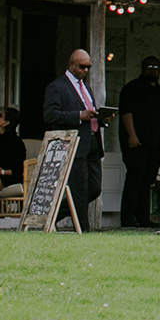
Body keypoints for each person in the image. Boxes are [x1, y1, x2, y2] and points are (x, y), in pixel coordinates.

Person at [42, 49, 104, 231]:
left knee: (93, 188)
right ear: (71, 65)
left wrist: (101, 119)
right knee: (79, 189)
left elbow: (89, 113)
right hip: (74, 143)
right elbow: (50, 114)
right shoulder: (57, 87)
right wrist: (79, 115)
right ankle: (83, 229)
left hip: (92, 141)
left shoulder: (86, 87)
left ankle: (52, 214)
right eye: (81, 66)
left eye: (88, 67)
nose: (85, 70)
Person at [118, 56, 160, 229]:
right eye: (149, 67)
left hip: (155, 144)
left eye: (156, 67)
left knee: (148, 180)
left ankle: (143, 217)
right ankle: (127, 218)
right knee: (135, 178)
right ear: (142, 68)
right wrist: (132, 136)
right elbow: (126, 113)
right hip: (137, 143)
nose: (153, 70)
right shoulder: (132, 89)